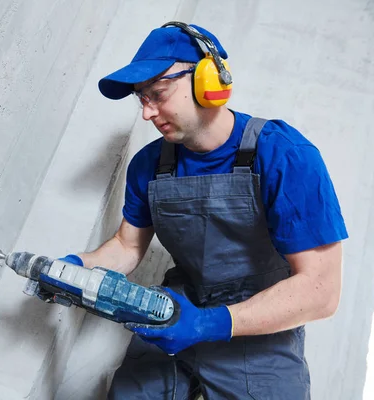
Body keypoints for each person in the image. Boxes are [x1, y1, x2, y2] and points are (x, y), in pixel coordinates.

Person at [61, 22, 348, 399]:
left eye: (158, 93)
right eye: (141, 98)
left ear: (207, 81)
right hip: (174, 310)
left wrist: (210, 323)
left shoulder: (284, 155)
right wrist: (77, 269)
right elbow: (127, 247)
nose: (147, 113)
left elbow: (321, 290)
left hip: (261, 327)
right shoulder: (149, 165)